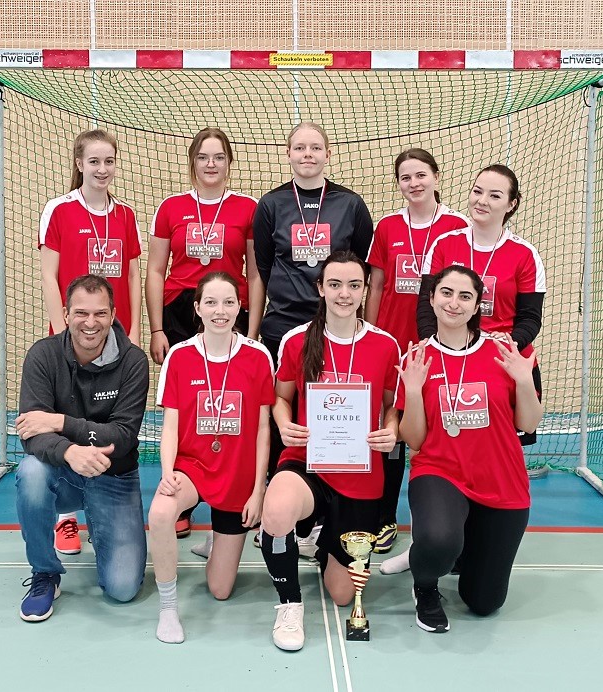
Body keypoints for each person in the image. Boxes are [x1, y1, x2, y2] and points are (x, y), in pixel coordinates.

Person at [381, 163, 546, 575]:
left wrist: (507, 346)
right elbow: (424, 304)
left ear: (511, 205)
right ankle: (427, 546)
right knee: (429, 452)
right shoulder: (444, 243)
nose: (482, 201)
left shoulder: (525, 254)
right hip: (445, 358)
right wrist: (430, 345)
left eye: (494, 195)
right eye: (477, 191)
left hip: (499, 368)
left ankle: (475, 546)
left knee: (495, 457)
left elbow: (530, 317)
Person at [260, 251, 400, 652]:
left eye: (354, 285)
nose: (344, 293)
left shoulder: (386, 345)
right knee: (277, 509)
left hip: (360, 472)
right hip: (307, 461)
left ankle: (323, 544)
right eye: (335, 284)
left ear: (365, 289)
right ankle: (289, 604)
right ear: (320, 289)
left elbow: (393, 405)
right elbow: (281, 398)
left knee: (342, 594)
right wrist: (284, 423)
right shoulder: (298, 339)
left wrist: (391, 430)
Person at [394, 265, 543, 633]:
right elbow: (413, 439)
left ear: (478, 305)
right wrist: (413, 391)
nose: (454, 303)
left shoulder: (505, 351)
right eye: (446, 293)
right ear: (431, 298)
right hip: (440, 471)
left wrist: (524, 380)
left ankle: (462, 549)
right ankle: (425, 585)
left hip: (500, 479)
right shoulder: (416, 358)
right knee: (438, 539)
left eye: (465, 296)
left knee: (483, 603)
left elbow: (529, 423)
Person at [251, 122, 375, 558]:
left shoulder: (350, 204)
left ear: (327, 154)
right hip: (283, 326)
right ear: (288, 154)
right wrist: (253, 331)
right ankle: (279, 507)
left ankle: (325, 514)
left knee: (335, 415)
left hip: (337, 327)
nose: (308, 154)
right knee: (282, 417)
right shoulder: (271, 204)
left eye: (316, 147)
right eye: (299, 147)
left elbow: (361, 266)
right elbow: (262, 269)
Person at [146, 127, 263, 539]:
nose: (210, 164)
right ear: (192, 163)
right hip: (182, 311)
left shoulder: (247, 208)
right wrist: (157, 327)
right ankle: (181, 493)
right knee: (187, 407)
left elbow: (254, 271)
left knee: (234, 405)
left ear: (230, 163)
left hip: (228, 310)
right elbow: (156, 270)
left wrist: (253, 328)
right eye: (203, 157)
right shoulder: (172, 207)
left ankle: (231, 495)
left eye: (218, 157)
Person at [14, 274, 150, 622]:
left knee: (122, 589)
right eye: (81, 313)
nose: (90, 323)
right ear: (65, 313)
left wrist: (61, 423)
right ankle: (46, 573)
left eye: (100, 314)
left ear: (114, 314)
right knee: (30, 471)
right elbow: (31, 433)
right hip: (66, 473)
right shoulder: (43, 356)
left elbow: (122, 437)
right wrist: (70, 453)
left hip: (114, 475)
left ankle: (103, 527)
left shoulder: (133, 362)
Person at [148, 272, 274, 643]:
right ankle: (168, 608)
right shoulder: (180, 355)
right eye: (212, 303)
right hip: (193, 468)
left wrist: (258, 491)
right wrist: (167, 471)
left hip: (236, 475)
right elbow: (170, 424)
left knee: (220, 589)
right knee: (159, 512)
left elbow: (264, 429)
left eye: (229, 302)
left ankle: (219, 539)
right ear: (198, 308)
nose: (221, 311)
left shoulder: (258, 356)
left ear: (240, 307)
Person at [38, 129, 143, 554]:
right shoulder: (59, 210)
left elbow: (134, 274)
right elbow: (49, 274)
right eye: (94, 161)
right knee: (66, 417)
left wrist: (134, 330)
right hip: (72, 336)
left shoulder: (125, 216)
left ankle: (102, 509)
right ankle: (64, 520)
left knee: (106, 419)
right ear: (79, 163)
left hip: (113, 338)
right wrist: (60, 332)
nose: (102, 169)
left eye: (109, 161)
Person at [364, 148, 468, 554]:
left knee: (436, 434)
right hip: (393, 344)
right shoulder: (388, 227)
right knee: (391, 432)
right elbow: (375, 286)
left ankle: (441, 521)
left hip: (439, 347)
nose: (414, 183)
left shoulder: (457, 227)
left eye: (421, 175)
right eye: (405, 177)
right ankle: (386, 517)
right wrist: (371, 331)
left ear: (437, 177)